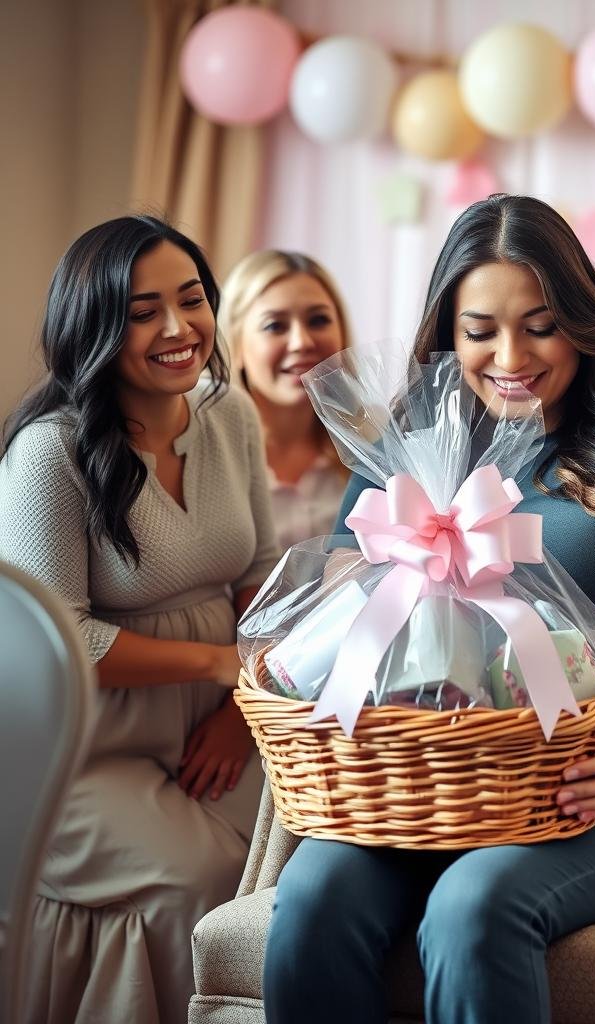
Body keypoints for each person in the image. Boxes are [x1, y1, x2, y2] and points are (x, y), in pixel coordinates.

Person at [261, 194, 595, 1024]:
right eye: (480, 330)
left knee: (474, 905)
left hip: (594, 794)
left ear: (584, 323)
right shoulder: (402, 454)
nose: (511, 354)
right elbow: (340, 624)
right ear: (447, 335)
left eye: (541, 324)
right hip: (424, 789)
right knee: (309, 896)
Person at [0, 215, 281, 1024]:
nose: (177, 328)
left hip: (212, 731)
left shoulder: (231, 415)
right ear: (91, 326)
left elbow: (262, 575)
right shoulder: (49, 455)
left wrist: (236, 710)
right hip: (79, 752)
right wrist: (215, 666)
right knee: (200, 876)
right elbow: (59, 641)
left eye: (192, 300)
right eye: (140, 310)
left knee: (294, 856)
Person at [219, 249, 352, 548]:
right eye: (275, 325)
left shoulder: (374, 446)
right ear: (236, 344)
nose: (302, 342)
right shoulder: (209, 454)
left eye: (318, 320)